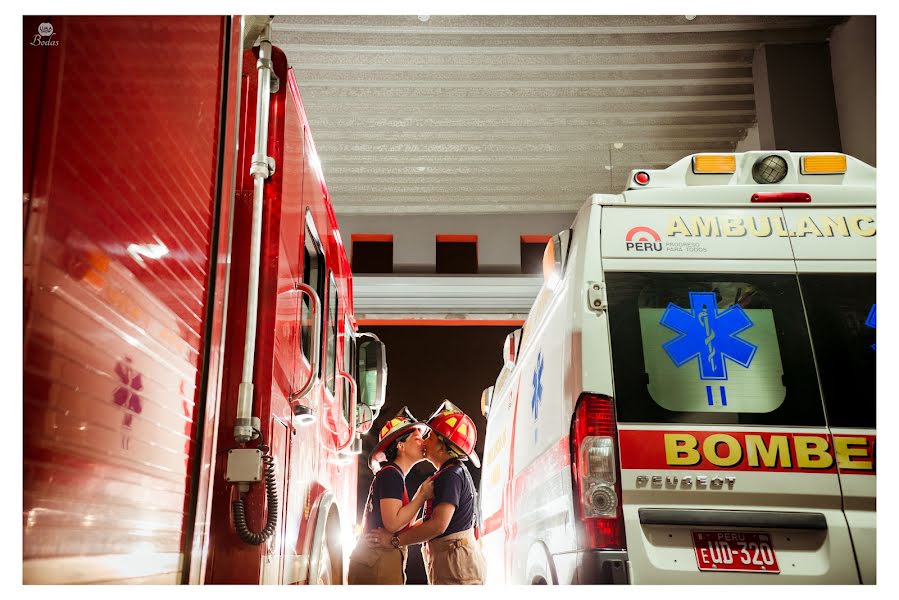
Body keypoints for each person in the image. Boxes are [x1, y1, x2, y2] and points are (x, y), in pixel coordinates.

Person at [367, 401, 487, 585]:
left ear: (441, 445)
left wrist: (394, 541)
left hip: (456, 565)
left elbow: (438, 524)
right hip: (451, 562)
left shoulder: (451, 475)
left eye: (430, 435)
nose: (424, 439)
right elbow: (430, 521)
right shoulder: (446, 474)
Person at [348, 407, 434, 585]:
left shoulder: (393, 475)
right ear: (400, 446)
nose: (423, 443)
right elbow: (393, 523)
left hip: (378, 560)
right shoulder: (391, 475)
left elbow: (404, 525)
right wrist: (421, 496)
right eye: (417, 439)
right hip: (378, 561)